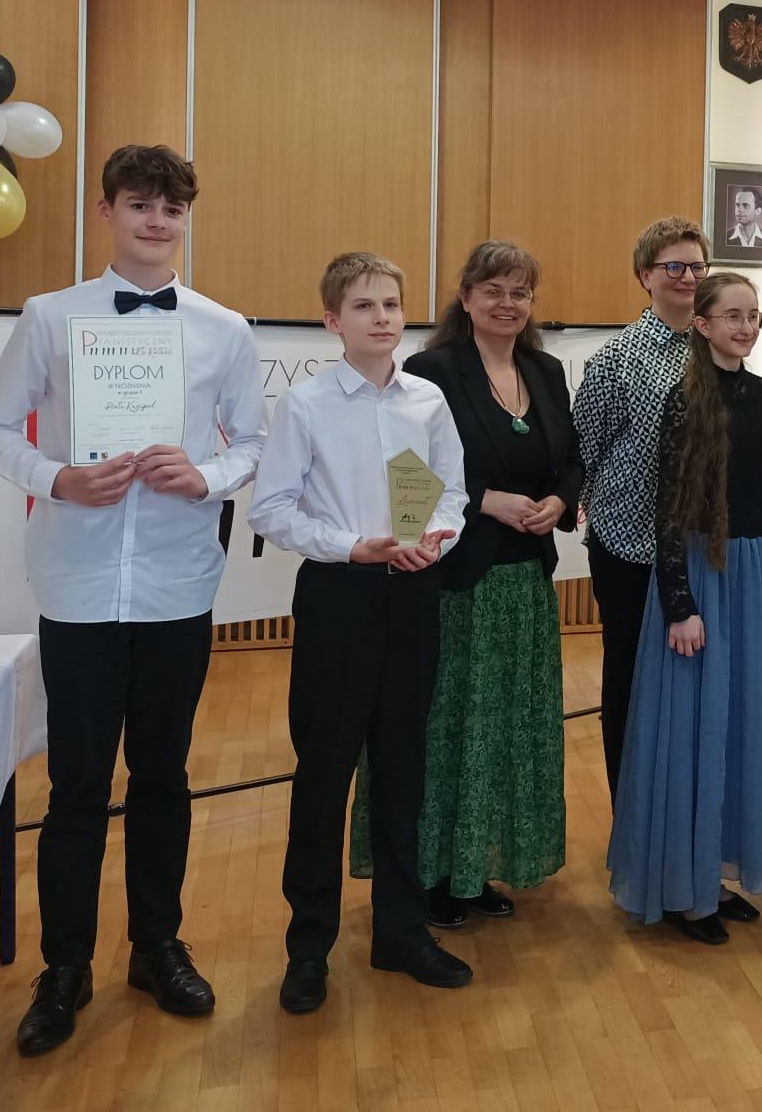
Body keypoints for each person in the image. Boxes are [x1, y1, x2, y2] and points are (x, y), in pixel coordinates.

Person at [0, 144, 267, 1057]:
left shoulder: (224, 328)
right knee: (75, 785)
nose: (156, 221)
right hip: (79, 584)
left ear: (186, 219)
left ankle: (156, 947)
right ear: (106, 211)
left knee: (165, 776)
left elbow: (252, 443)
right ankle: (63, 968)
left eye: (172, 208)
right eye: (139, 204)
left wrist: (207, 473)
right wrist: (58, 477)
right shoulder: (52, 317)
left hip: (177, 584)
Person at [249, 252, 469, 1014]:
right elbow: (271, 510)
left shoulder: (428, 402)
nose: (381, 317)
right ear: (332, 320)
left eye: (391, 305)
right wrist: (352, 546)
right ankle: (308, 947)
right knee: (324, 776)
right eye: (364, 306)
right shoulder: (305, 406)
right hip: (340, 597)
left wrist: (436, 537)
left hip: (413, 595)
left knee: (404, 770)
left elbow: (452, 492)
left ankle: (400, 931)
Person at [349, 241, 583, 928]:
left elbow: (570, 459)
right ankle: (428, 874)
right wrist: (486, 501)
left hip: (526, 583)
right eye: (494, 290)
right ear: (467, 297)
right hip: (454, 581)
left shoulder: (545, 370)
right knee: (445, 729)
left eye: (520, 292)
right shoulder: (432, 370)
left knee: (508, 730)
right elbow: (409, 470)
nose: (508, 304)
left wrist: (560, 501)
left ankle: (477, 867)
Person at [606, 272, 762, 941]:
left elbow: (760, 494)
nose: (745, 327)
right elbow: (669, 507)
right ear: (703, 325)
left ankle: (713, 871)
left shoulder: (761, 393)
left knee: (737, 723)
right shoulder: (684, 398)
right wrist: (679, 604)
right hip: (701, 573)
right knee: (694, 728)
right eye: (732, 316)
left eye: (753, 316)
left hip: (750, 569)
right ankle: (684, 889)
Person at [574, 217, 710, 806]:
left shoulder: (718, 346)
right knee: (630, 682)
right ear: (644, 276)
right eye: (673, 266)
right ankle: (630, 819)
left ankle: (679, 815)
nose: (687, 277)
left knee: (691, 682)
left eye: (697, 266)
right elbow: (586, 448)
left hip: (701, 546)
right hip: (629, 546)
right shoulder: (616, 358)